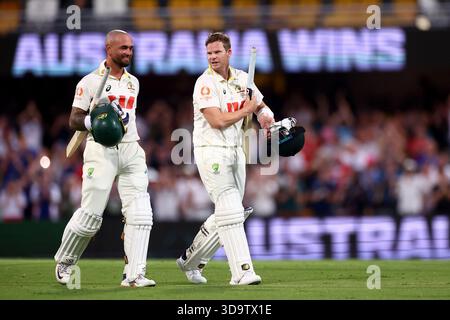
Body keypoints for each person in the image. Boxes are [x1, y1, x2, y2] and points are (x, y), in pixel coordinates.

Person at [54, 30, 156, 287]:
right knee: (90, 216)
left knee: (141, 213)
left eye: (131, 48)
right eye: (123, 48)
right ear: (108, 49)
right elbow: (74, 119)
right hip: (101, 149)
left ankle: (134, 275)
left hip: (131, 147)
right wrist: (94, 122)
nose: (128, 52)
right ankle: (65, 262)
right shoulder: (90, 81)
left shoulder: (134, 82)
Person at [176, 32, 275, 285]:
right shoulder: (204, 84)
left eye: (217, 52)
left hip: (236, 150)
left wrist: (264, 115)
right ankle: (242, 272)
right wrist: (248, 109)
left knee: (227, 213)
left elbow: (260, 105)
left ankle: (190, 261)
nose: (212, 57)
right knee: (231, 210)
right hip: (211, 150)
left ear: (228, 53)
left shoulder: (244, 78)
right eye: (209, 53)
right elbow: (217, 120)